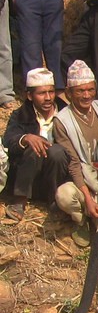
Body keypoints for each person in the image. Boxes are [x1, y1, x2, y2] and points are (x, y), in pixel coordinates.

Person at [52, 61, 98, 313]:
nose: (86, 95)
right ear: (69, 93)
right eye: (80, 91)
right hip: (87, 181)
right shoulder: (63, 121)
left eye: (90, 90)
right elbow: (72, 161)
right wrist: (87, 197)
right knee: (66, 196)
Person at [1, 67, 69, 221]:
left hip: (57, 176)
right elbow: (8, 141)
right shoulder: (20, 115)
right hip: (28, 177)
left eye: (51, 92)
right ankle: (20, 200)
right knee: (34, 146)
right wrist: (25, 138)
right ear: (30, 96)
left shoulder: (66, 113)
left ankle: (55, 201)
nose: (47, 98)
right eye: (41, 93)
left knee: (57, 152)